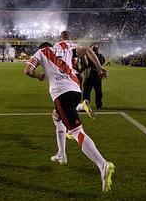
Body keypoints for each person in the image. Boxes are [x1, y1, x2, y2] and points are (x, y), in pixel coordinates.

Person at [24, 41, 115, 192]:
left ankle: (102, 164)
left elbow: (27, 70)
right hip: (75, 90)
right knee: (56, 116)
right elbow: (87, 51)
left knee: (76, 132)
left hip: (61, 93)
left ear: (42, 48)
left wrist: (38, 75)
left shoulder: (41, 52)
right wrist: (98, 68)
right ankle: (61, 154)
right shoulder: (66, 49)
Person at [54, 31, 94, 117]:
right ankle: (82, 106)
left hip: (64, 76)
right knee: (74, 99)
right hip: (77, 76)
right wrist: (79, 71)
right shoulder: (77, 46)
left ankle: (71, 124)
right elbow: (86, 63)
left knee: (66, 103)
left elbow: (55, 61)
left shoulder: (57, 45)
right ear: (69, 37)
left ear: (61, 37)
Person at [83, 43, 106, 110]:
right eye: (93, 48)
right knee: (86, 93)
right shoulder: (87, 55)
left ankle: (99, 105)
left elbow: (102, 63)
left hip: (97, 77)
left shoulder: (100, 56)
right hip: (88, 77)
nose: (95, 50)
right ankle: (86, 106)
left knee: (99, 92)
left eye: (96, 48)